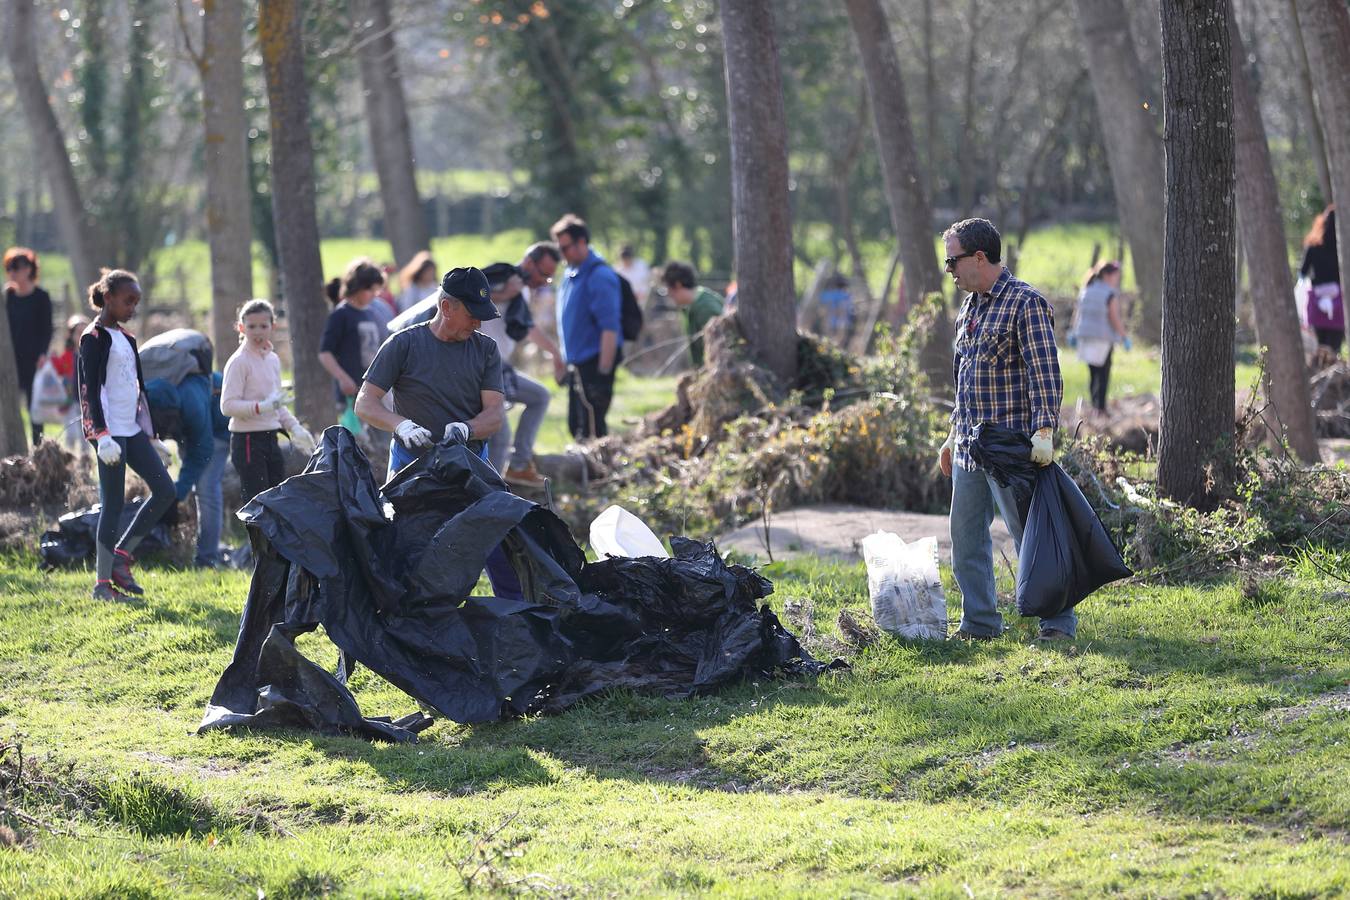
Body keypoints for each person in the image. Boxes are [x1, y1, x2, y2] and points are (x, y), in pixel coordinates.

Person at [936, 218, 1071, 642]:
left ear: (979, 257)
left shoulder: (1025, 303)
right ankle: (979, 624)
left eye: (952, 261)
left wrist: (1044, 432)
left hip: (1012, 449)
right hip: (969, 449)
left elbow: (1045, 374)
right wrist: (950, 436)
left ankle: (1057, 623)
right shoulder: (969, 308)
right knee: (965, 538)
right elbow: (964, 382)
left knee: (1031, 535)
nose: (949, 270)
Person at [354, 267, 520, 599]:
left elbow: (494, 415)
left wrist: (466, 428)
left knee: (499, 537)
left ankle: (514, 612)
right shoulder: (404, 344)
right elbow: (365, 404)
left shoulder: (485, 349)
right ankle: (400, 618)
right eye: (473, 314)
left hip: (470, 464)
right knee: (404, 549)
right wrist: (400, 424)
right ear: (447, 307)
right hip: (411, 467)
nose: (478, 323)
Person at [76, 269, 176, 601]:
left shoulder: (128, 338)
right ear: (107, 298)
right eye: (127, 300)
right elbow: (89, 390)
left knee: (165, 490)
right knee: (113, 504)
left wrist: (151, 436)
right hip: (108, 435)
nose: (133, 306)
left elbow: (138, 389)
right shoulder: (92, 338)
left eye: (137, 301)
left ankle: (121, 555)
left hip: (132, 431)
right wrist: (100, 435)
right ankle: (102, 585)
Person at [221, 299, 314, 506]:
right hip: (246, 440)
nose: (257, 332)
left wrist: (295, 427)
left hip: (271, 437)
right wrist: (260, 407)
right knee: (259, 503)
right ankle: (256, 540)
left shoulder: (272, 359)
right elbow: (227, 406)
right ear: (241, 327)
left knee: (278, 499)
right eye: (251, 326)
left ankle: (273, 540)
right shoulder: (239, 362)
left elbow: (277, 403)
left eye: (263, 326)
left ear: (273, 326)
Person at [480, 258, 564, 486]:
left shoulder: (523, 293)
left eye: (550, 277)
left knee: (539, 396)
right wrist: (506, 292)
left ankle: (518, 465)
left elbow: (528, 328)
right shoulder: (500, 278)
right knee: (500, 436)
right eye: (543, 275)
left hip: (501, 368)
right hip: (479, 369)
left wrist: (556, 354)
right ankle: (490, 494)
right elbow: (474, 299)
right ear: (529, 263)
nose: (544, 282)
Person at [551, 213, 623, 439]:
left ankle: (596, 472)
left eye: (566, 248)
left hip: (595, 362)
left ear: (582, 242)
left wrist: (603, 373)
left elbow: (610, 328)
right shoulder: (571, 274)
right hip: (577, 363)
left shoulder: (600, 276)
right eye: (559, 249)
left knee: (592, 427)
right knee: (577, 425)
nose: (562, 255)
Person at [319, 259, 386, 419]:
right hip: (351, 395)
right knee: (356, 442)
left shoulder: (373, 313)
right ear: (357, 286)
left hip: (374, 392)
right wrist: (343, 379)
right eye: (371, 290)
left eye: (377, 291)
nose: (375, 295)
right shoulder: (341, 315)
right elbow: (325, 353)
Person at [5, 246, 54, 447]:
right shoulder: (6, 298)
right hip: (10, 360)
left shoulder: (41, 297)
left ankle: (38, 448)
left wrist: (43, 353)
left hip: (34, 360)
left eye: (17, 267)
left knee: (35, 409)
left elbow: (46, 328)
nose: (13, 272)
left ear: (29, 269)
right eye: (10, 267)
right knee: (8, 406)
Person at [1068, 260, 1130, 419]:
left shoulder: (1086, 289)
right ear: (1107, 275)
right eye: (1116, 276)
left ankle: (1095, 405)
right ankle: (1100, 409)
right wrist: (1124, 336)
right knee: (1103, 374)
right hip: (1102, 338)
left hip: (1085, 336)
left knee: (1093, 373)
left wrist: (1073, 332)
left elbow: (1078, 313)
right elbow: (1114, 318)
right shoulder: (1110, 293)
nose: (1117, 279)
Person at [659, 261, 725, 368]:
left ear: (677, 285)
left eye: (668, 289)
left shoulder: (706, 308)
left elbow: (721, 348)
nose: (668, 295)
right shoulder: (690, 307)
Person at [1300, 205, 1342, 354]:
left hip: (1316, 304)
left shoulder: (1313, 247)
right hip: (1339, 306)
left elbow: (1303, 273)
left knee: (1317, 351)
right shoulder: (1343, 249)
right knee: (1333, 352)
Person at [50, 315, 91, 456]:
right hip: (69, 401)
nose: (80, 335)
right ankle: (69, 461)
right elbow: (59, 371)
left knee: (86, 435)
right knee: (71, 434)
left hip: (86, 401)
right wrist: (53, 360)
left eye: (84, 331)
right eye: (78, 332)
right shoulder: (67, 355)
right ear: (71, 335)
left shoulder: (91, 354)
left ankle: (85, 465)